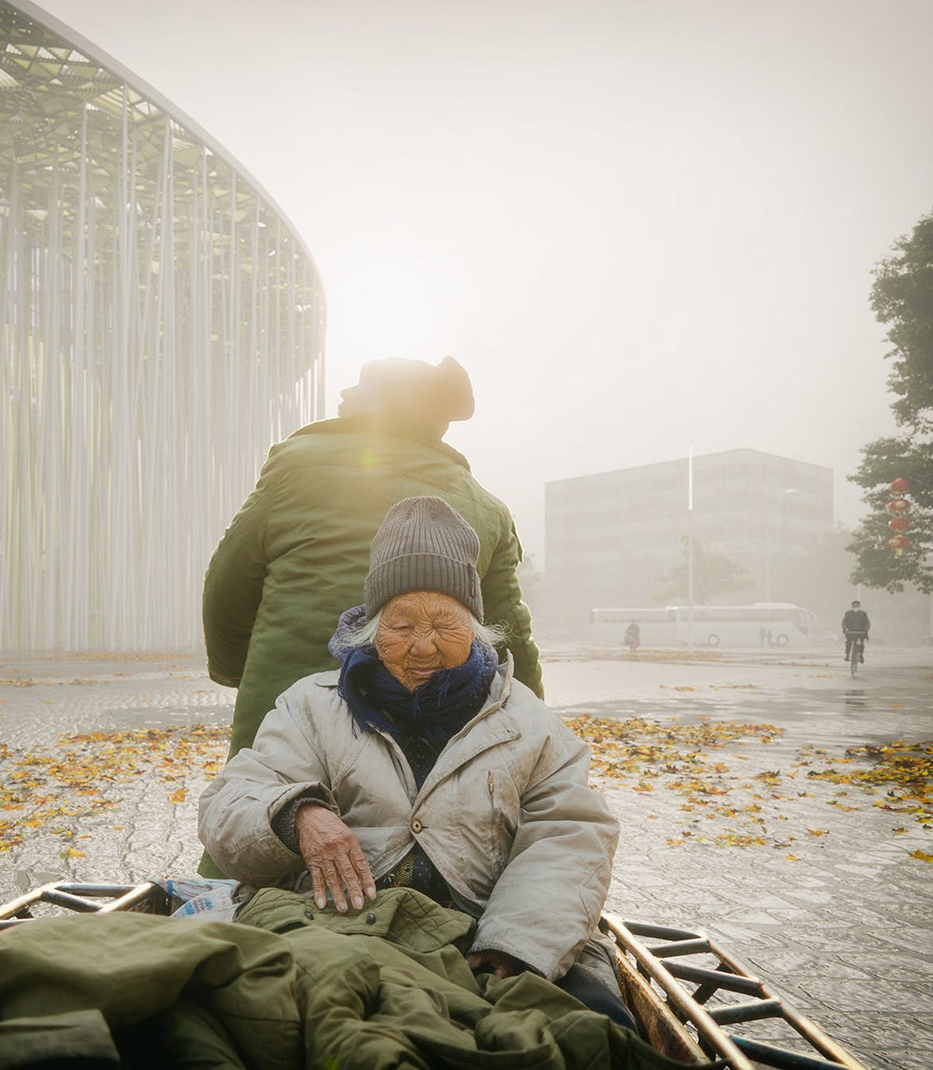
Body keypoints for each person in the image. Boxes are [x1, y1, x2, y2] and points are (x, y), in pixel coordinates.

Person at [199, 497, 630, 1029]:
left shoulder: (528, 723)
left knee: (590, 1026)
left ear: (475, 626)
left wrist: (514, 942)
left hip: (482, 937)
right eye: (401, 625)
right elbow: (230, 803)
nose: (423, 647)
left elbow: (570, 835)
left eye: (445, 625)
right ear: (371, 626)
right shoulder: (310, 706)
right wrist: (297, 816)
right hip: (336, 931)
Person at [203, 355, 543, 763]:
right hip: (432, 750)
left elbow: (227, 591)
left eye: (361, 387)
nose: (344, 392)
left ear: (389, 408)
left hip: (284, 736)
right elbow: (510, 644)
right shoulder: (486, 509)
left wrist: (238, 672)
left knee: (269, 800)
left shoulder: (295, 468)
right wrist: (535, 740)